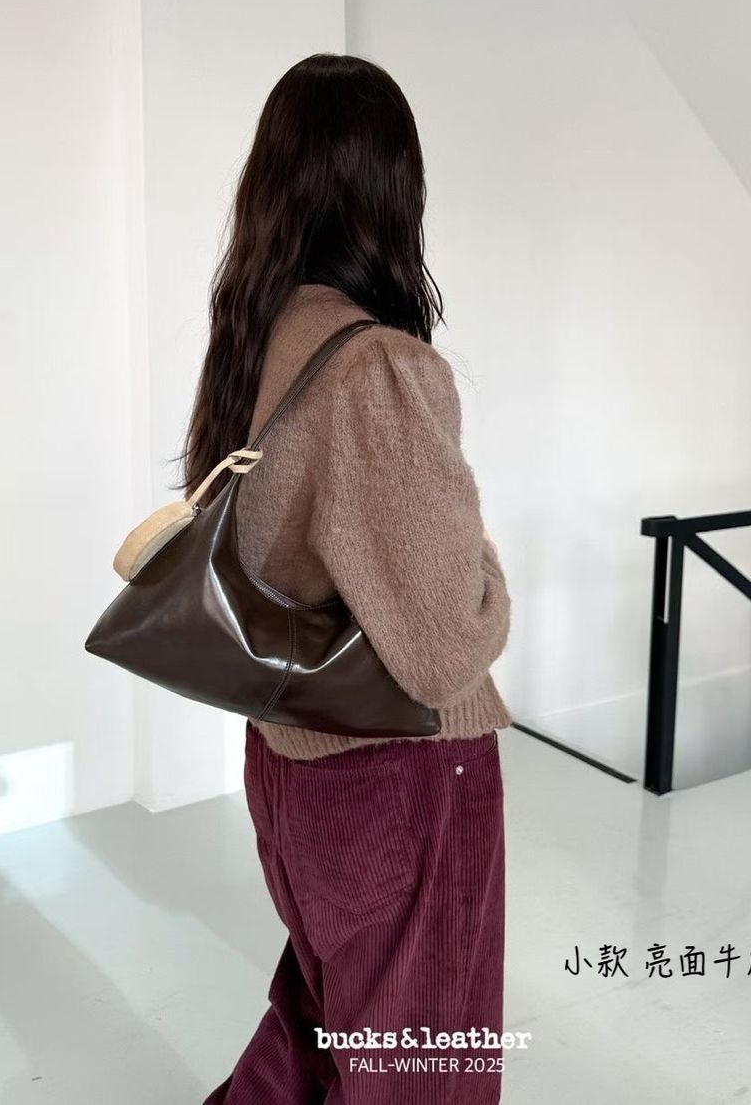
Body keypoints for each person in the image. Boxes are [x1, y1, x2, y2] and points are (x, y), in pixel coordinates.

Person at [177, 53, 513, 1104]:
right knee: (419, 1065)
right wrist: (490, 567)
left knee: (325, 1021)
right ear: (393, 189)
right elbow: (441, 648)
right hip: (399, 776)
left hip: (292, 758)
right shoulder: (376, 368)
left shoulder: (259, 336)